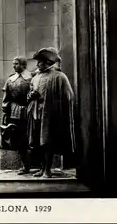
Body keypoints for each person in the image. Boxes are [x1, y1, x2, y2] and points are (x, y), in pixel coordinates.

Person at [27, 47, 76, 178]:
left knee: (47, 142)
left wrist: (54, 103)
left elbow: (69, 96)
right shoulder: (36, 77)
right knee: (38, 142)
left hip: (50, 115)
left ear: (48, 63)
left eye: (40, 62)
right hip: (36, 114)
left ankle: (48, 169)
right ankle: (42, 168)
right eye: (37, 62)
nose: (37, 65)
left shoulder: (59, 77)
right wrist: (31, 96)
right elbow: (29, 93)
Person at [1, 56, 33, 175]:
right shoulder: (10, 79)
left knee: (31, 137)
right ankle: (24, 165)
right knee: (18, 138)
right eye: (13, 64)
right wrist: (5, 109)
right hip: (14, 112)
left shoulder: (31, 78)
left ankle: (39, 164)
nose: (14, 66)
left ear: (23, 65)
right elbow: (6, 97)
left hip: (29, 111)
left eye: (16, 64)